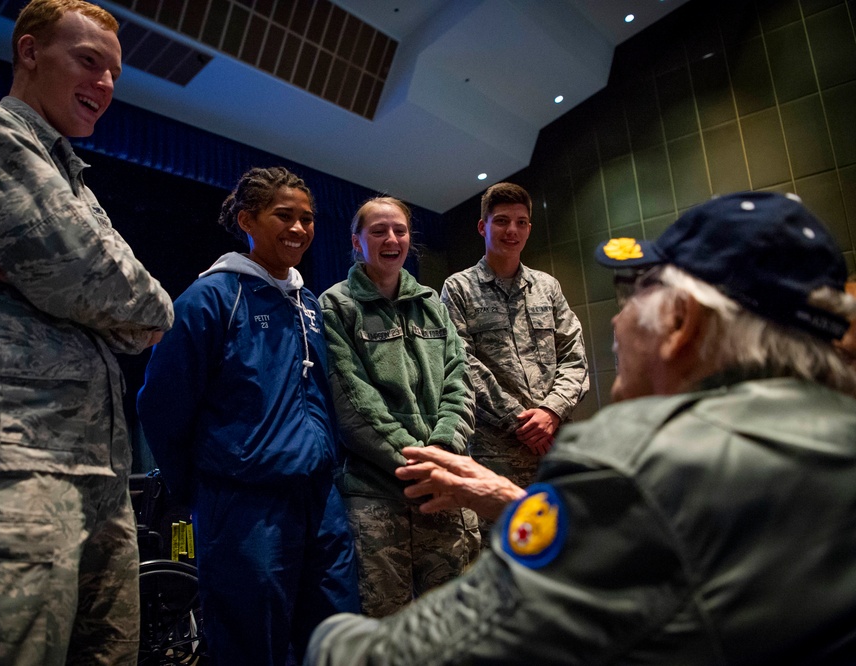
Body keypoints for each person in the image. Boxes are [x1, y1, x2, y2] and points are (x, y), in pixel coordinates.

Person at [304, 191, 856, 664]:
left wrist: (329, 640)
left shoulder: (630, 457)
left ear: (683, 324)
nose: (617, 320)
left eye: (637, 293)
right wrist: (507, 497)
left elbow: (431, 648)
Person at [0, 1, 175, 664]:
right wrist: (69, 282)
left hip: (99, 480)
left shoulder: (73, 177)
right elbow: (86, 273)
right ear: (29, 52)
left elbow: (151, 311)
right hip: (5, 470)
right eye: (87, 61)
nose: (104, 84)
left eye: (114, 74)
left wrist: (48, 276)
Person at [137, 166, 360, 666]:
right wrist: (194, 485)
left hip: (319, 500)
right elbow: (161, 403)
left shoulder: (308, 304)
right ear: (247, 220)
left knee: (334, 634)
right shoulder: (210, 298)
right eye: (284, 215)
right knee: (250, 643)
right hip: (244, 505)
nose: (299, 228)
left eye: (308, 218)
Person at [318, 196, 479, 618]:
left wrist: (443, 453)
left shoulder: (432, 303)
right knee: (384, 632)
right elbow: (354, 403)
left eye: (400, 231)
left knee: (451, 628)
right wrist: (422, 466)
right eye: (378, 231)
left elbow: (460, 383)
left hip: (444, 490)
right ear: (356, 242)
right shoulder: (335, 306)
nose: (392, 239)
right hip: (376, 498)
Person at [441, 182, 588, 496]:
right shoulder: (458, 289)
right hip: (495, 454)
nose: (513, 230)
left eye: (521, 222)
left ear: (529, 228)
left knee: (566, 538)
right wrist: (519, 422)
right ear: (483, 226)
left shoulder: (548, 287)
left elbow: (575, 357)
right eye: (502, 221)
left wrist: (551, 411)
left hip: (556, 446)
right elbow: (462, 364)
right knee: (503, 541)